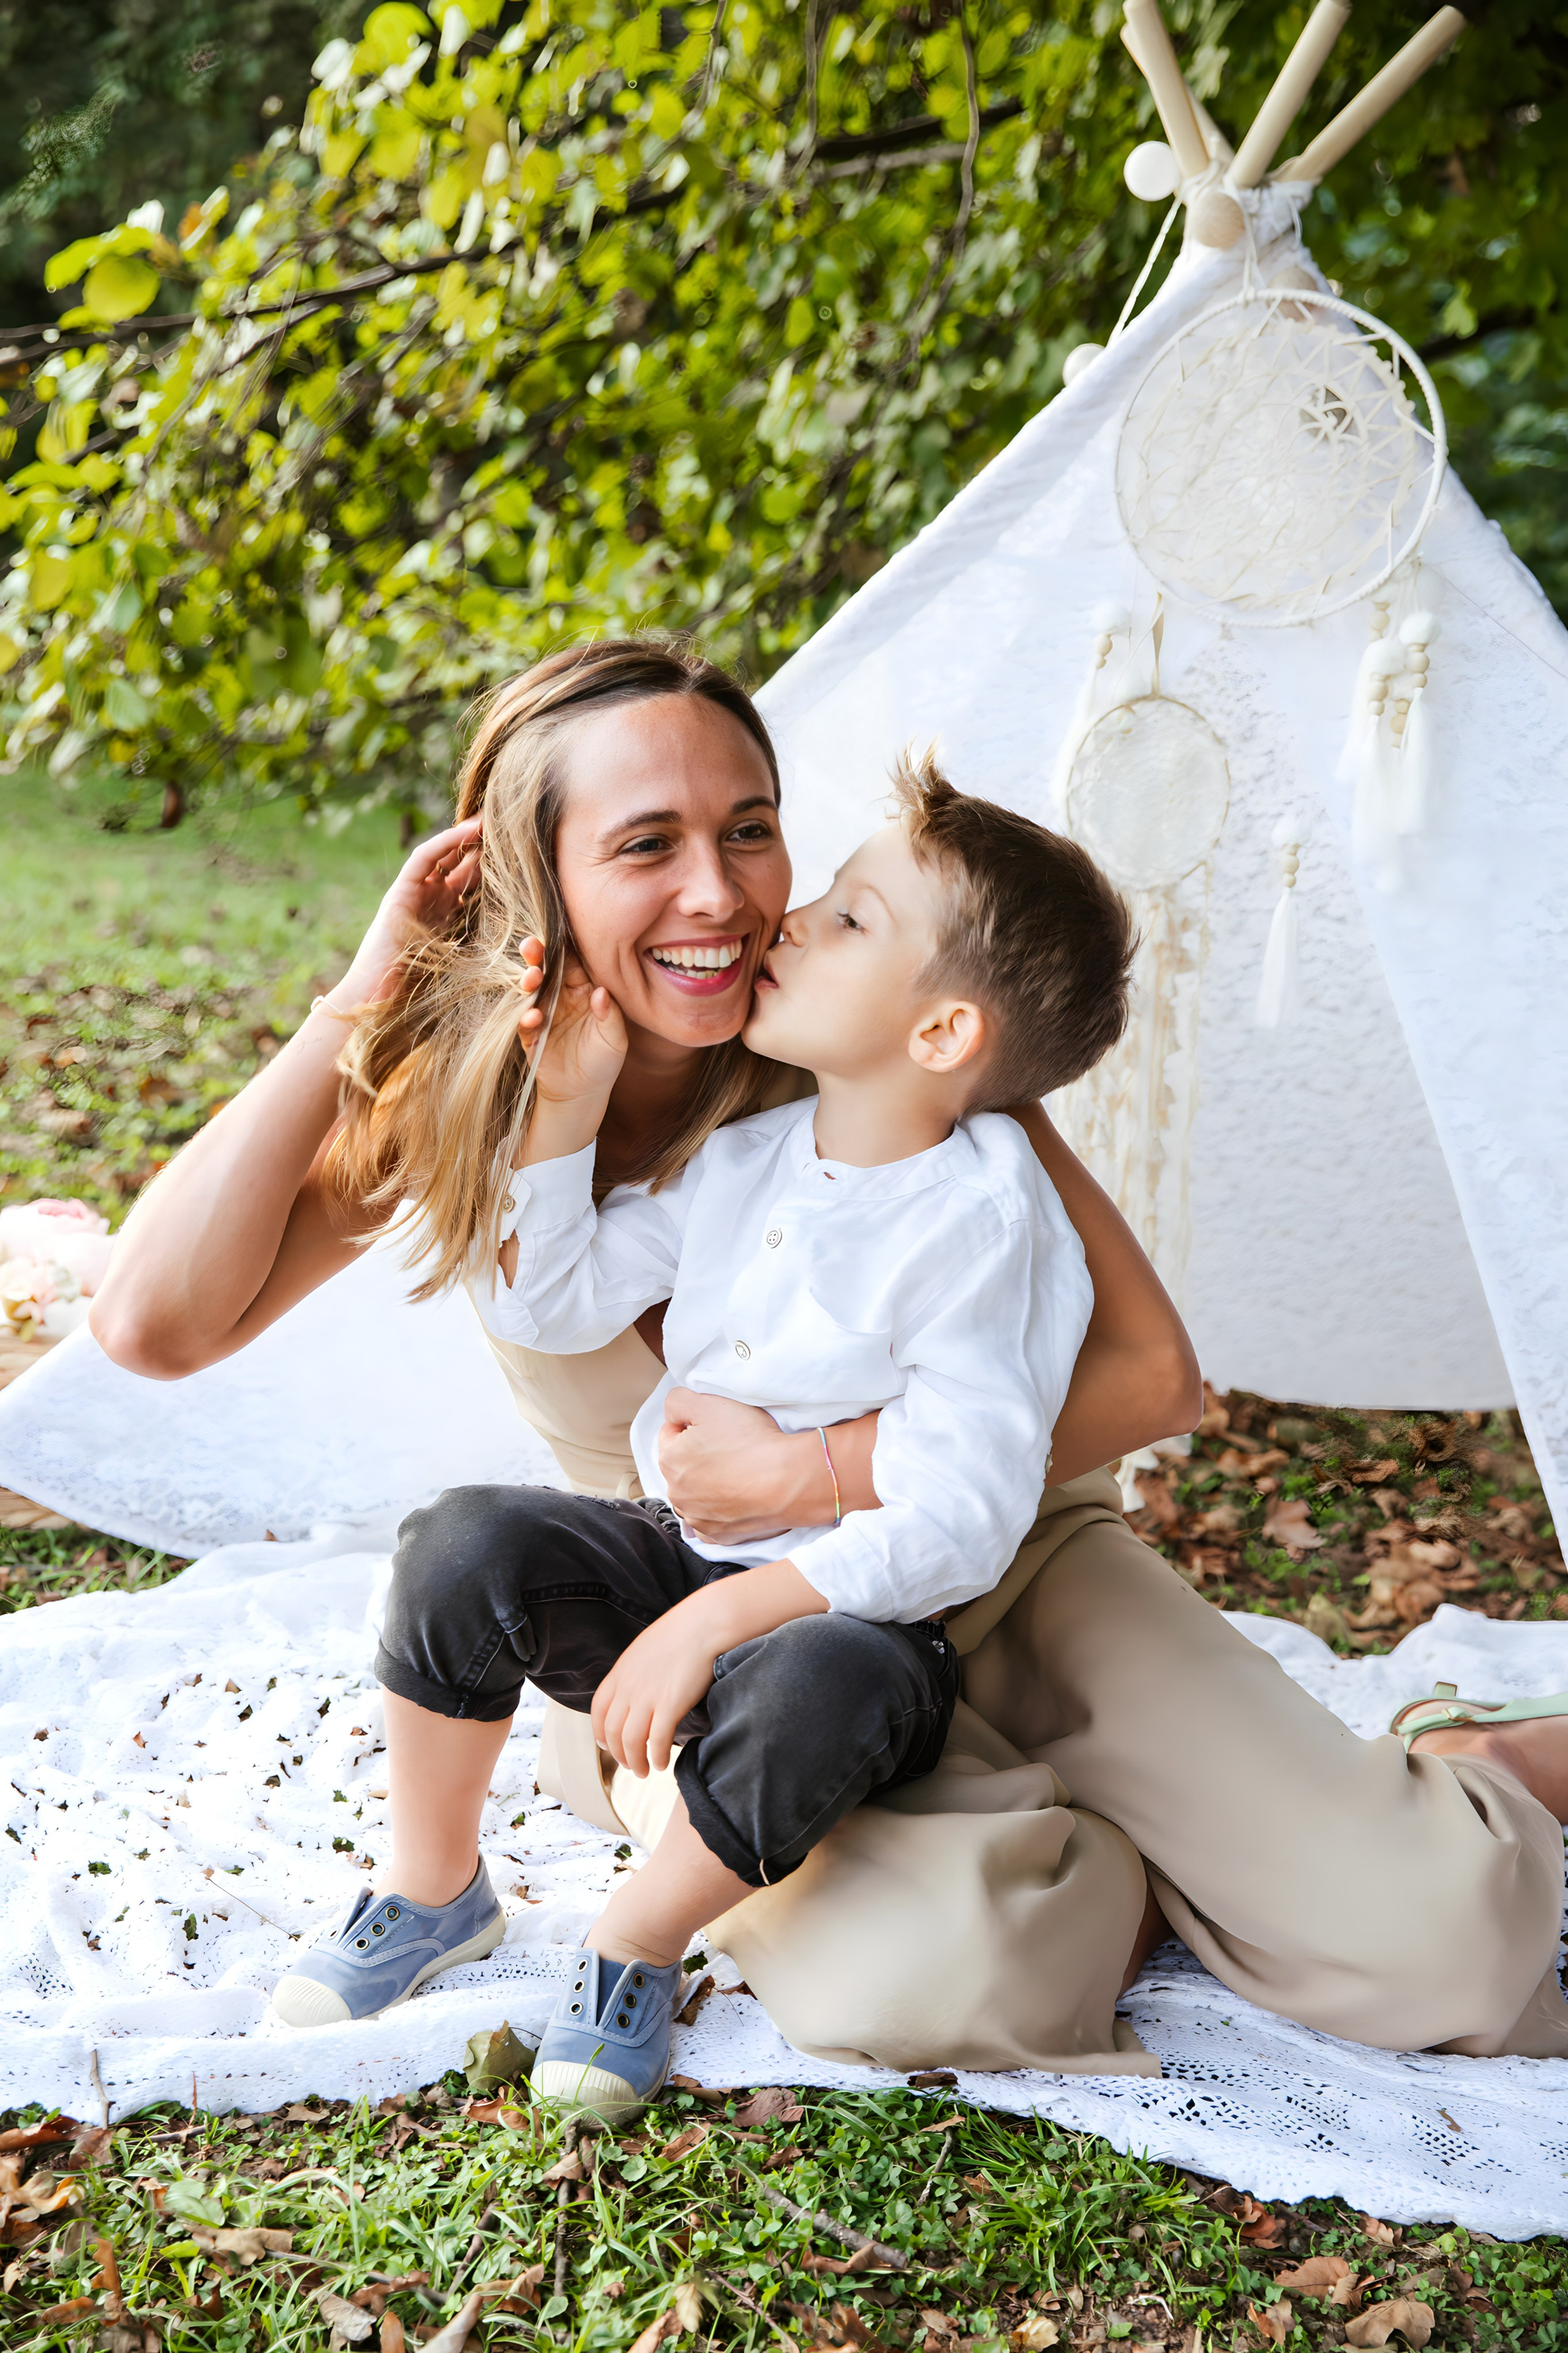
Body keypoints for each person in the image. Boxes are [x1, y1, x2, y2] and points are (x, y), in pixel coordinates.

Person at [90, 636, 1568, 2076]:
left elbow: (1148, 1381)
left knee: (1438, 1946)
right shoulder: (486, 1100)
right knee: (934, 1977)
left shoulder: (869, 1048)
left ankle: (1454, 1764)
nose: (722, 895)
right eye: (646, 844)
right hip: (708, 1623)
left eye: (749, 829)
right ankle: (1100, 1845)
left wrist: (823, 1469)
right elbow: (153, 1323)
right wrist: (373, 986)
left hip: (1014, 1560)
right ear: (537, 877)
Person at [270, 765, 1126, 2111]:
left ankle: (634, 1942)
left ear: (943, 1029)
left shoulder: (984, 1223)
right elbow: (547, 1302)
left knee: (822, 1682)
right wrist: (566, 1102)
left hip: (849, 1627)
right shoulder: (747, 1157)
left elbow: (962, 1514)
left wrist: (715, 1622)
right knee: (460, 1542)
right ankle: (433, 1886)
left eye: (849, 919)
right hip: (681, 1559)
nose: (794, 921)